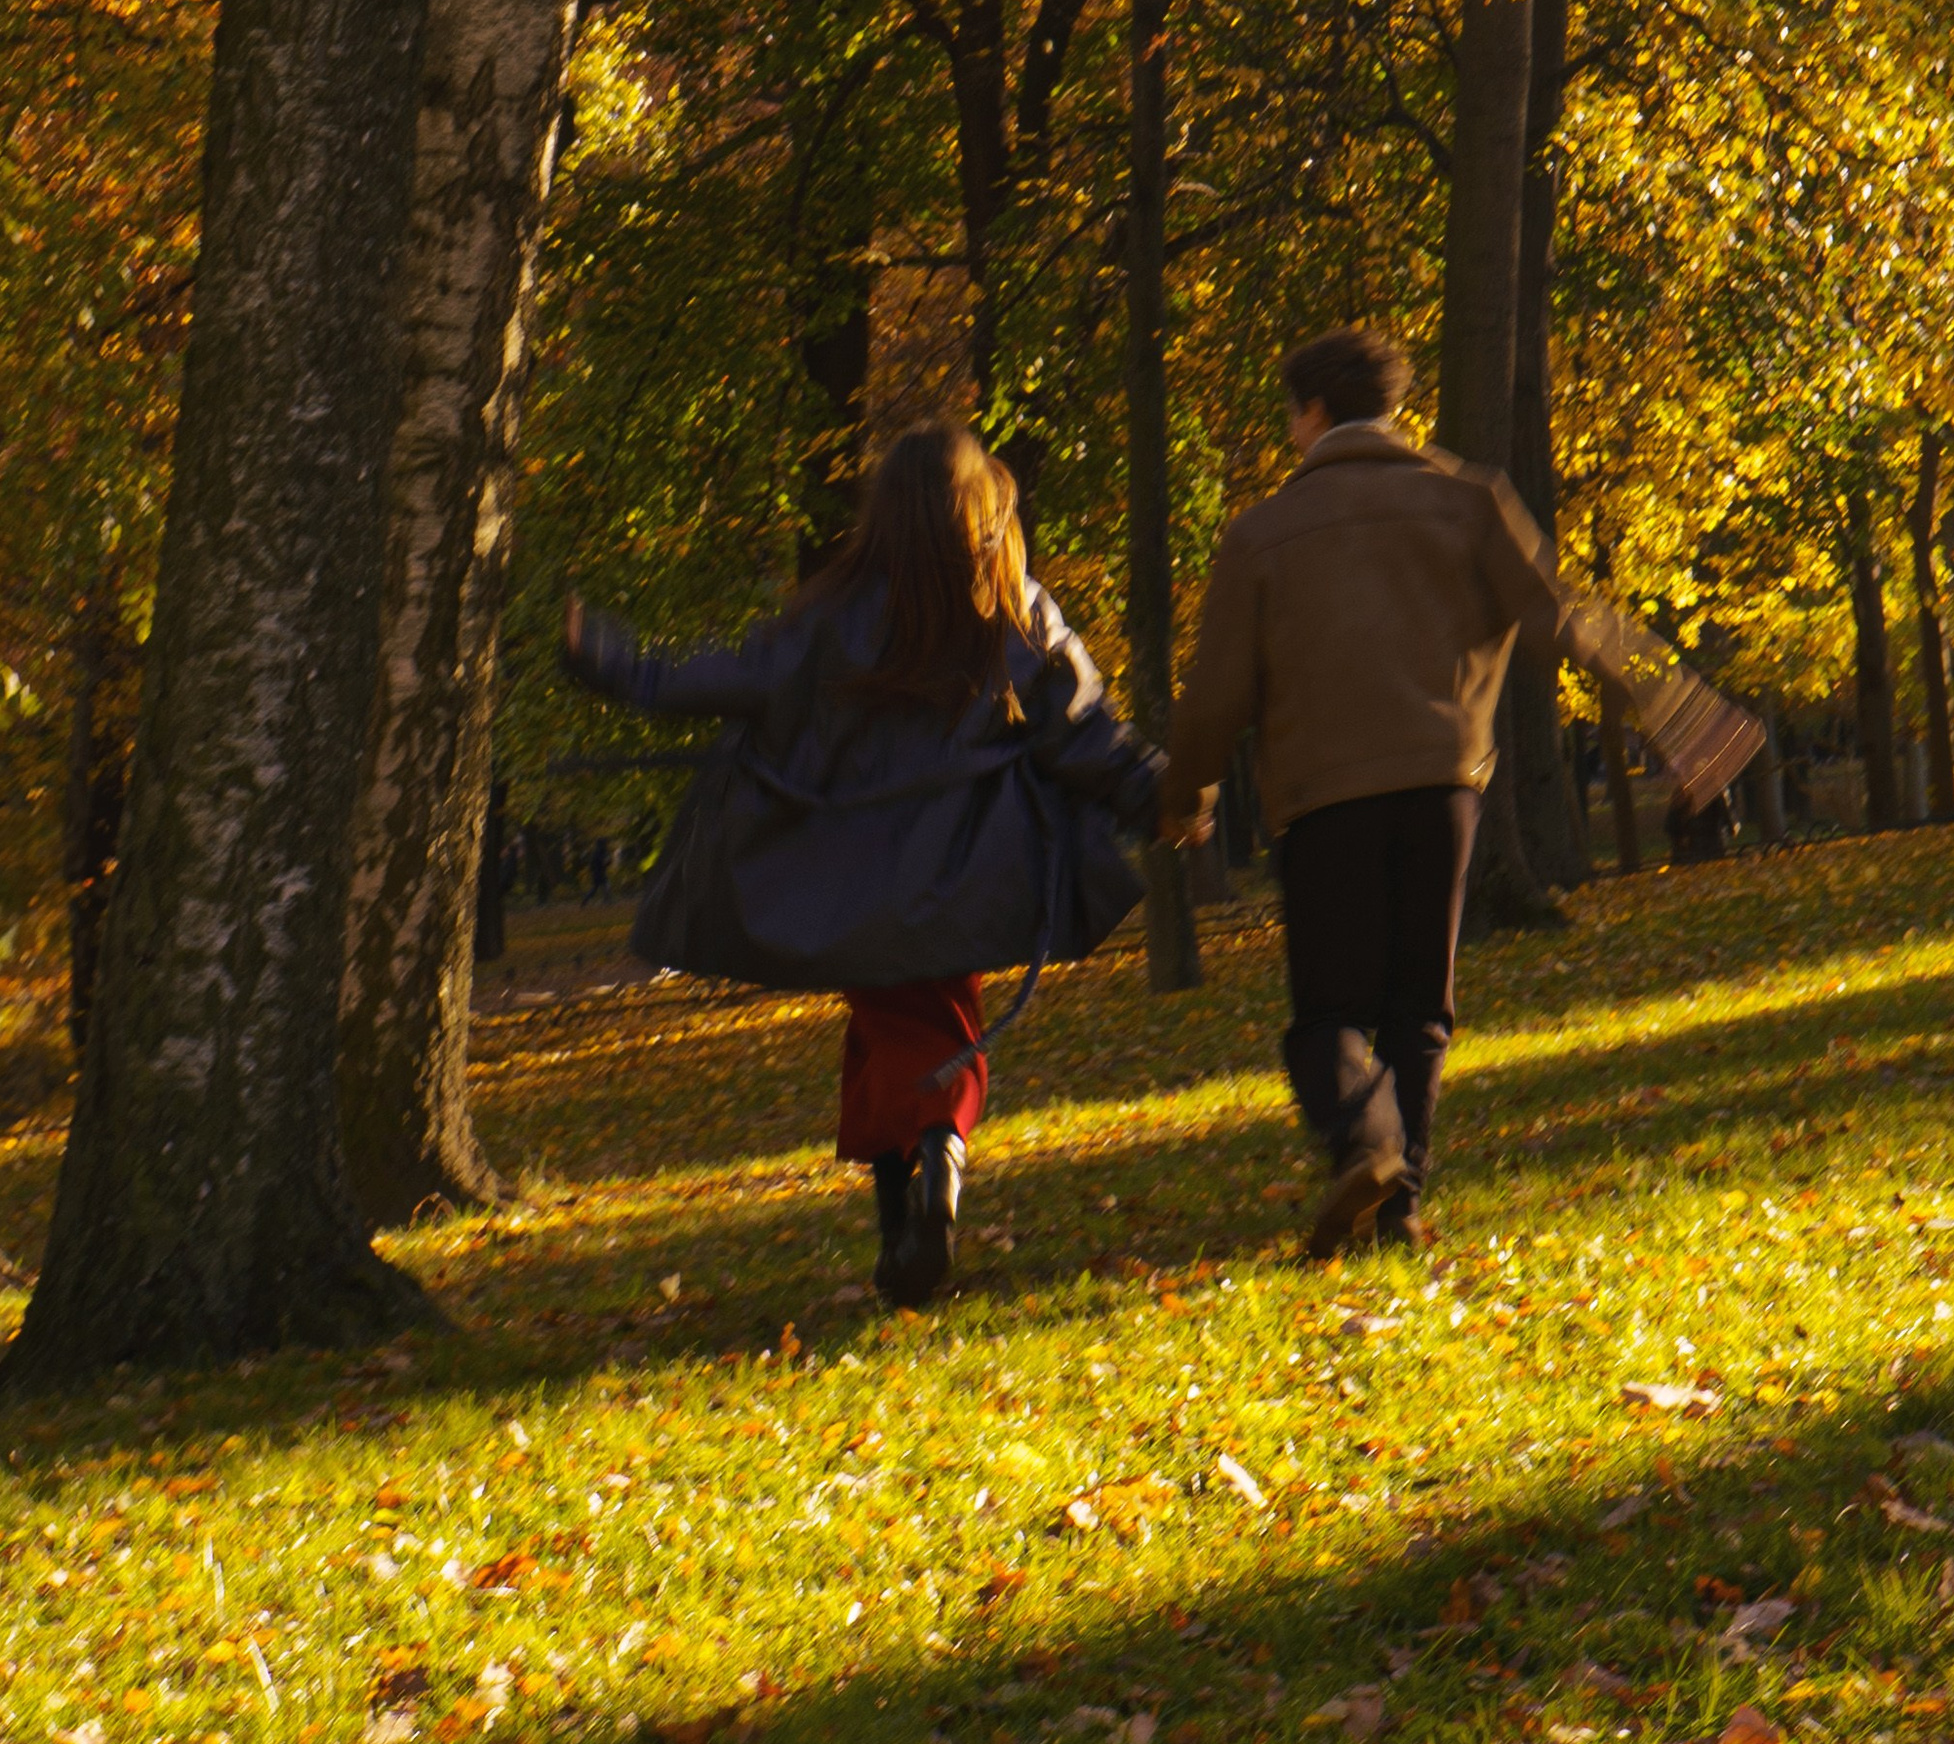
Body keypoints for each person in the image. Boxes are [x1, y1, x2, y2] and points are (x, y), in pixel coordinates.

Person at [1158, 326, 1760, 1260]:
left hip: (1321, 801)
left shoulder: (1261, 534)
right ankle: (1398, 1206)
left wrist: (1183, 797)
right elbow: (1566, 616)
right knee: (1420, 1007)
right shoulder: (1469, 499)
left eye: (1291, 415)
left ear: (1312, 413)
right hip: (1444, 786)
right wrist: (1684, 714)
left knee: (1329, 1014)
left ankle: (1366, 1150)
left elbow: (1216, 699)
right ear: (1389, 409)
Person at [565, 423, 1163, 1307]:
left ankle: (918, 1207)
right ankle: (929, 1185)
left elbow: (722, 678)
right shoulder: (1009, 602)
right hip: (965, 877)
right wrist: (1159, 794)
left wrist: (614, 662)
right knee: (917, 1039)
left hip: (849, 880)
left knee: (907, 1035)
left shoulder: (827, 614)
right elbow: (1081, 722)